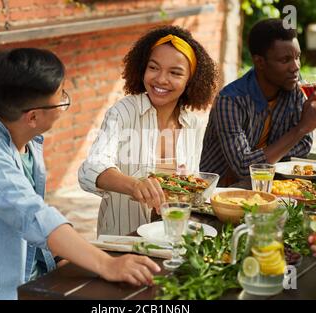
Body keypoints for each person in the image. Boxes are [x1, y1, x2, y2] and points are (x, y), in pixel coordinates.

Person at [0, 48, 160, 300]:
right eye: (61, 98)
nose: (65, 101)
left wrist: (59, 256)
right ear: (33, 117)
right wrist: (107, 265)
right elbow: (33, 216)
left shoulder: (25, 138)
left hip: (25, 278)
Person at [79, 25, 218, 236]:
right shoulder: (123, 112)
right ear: (142, 68)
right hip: (123, 238)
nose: (161, 79)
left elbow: (190, 185)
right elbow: (90, 169)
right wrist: (134, 185)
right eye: (154, 68)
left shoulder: (194, 124)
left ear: (191, 80)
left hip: (173, 237)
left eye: (175, 73)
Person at [200, 18, 316, 186]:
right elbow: (244, 169)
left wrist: (261, 157)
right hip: (220, 189)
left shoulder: (294, 86)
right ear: (260, 62)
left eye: (297, 57)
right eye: (285, 60)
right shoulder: (230, 100)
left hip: (269, 182)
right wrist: (301, 128)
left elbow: (303, 147)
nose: (295, 67)